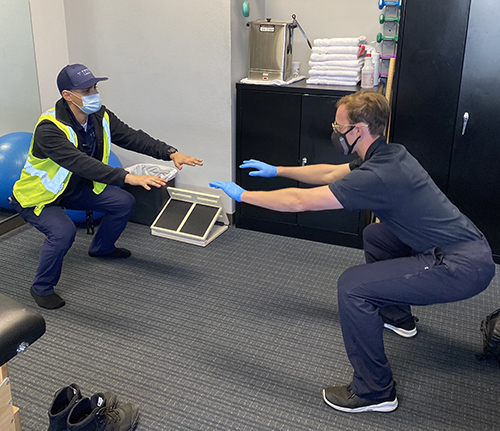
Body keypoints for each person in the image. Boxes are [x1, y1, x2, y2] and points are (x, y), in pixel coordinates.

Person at [209, 90, 495, 413]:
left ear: (358, 130)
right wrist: (277, 170)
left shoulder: (377, 175)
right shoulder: (388, 154)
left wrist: (243, 196)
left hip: (460, 266)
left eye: (339, 126)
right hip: (463, 247)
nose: (335, 131)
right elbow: (331, 173)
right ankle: (397, 317)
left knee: (352, 287)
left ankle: (375, 390)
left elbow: (300, 202)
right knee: (377, 235)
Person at [11, 63, 203, 310]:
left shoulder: (99, 115)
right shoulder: (49, 128)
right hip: (40, 196)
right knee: (63, 233)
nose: (94, 94)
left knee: (123, 202)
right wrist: (126, 177)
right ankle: (41, 288)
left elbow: (131, 137)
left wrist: (169, 152)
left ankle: (102, 248)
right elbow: (80, 163)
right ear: (67, 95)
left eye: (94, 87)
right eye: (86, 90)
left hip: (75, 189)